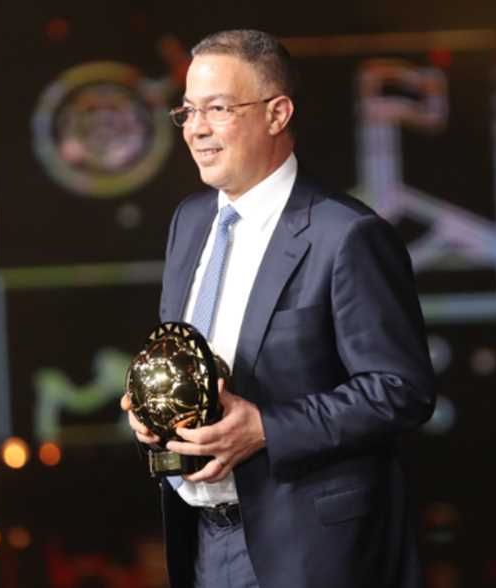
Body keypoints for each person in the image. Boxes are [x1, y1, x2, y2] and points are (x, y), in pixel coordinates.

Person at [120, 29, 436, 588]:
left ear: (277, 113)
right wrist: (156, 410)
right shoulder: (190, 221)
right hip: (201, 540)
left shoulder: (346, 234)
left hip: (309, 549)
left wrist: (267, 429)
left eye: (218, 109)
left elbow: (400, 388)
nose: (196, 128)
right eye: (188, 110)